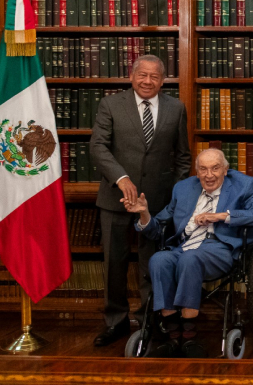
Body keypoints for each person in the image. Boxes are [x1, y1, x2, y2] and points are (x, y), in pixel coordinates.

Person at [123, 148, 253, 358]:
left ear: (225, 170)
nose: (209, 175)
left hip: (219, 249)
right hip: (184, 246)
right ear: (197, 171)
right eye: (203, 169)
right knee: (160, 259)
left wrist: (220, 216)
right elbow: (158, 230)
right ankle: (175, 335)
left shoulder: (244, 185)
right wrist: (144, 213)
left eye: (215, 168)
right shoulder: (183, 189)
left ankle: (190, 335)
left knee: (189, 259)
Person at [89, 54, 191, 347]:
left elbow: (182, 156)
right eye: (142, 75)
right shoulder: (111, 104)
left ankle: (152, 319)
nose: (148, 81)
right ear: (132, 76)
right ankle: (116, 322)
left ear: (163, 80)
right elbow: (98, 146)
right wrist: (121, 178)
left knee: (153, 263)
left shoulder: (176, 108)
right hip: (116, 199)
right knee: (114, 265)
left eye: (154, 77)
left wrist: (175, 196)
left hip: (158, 204)